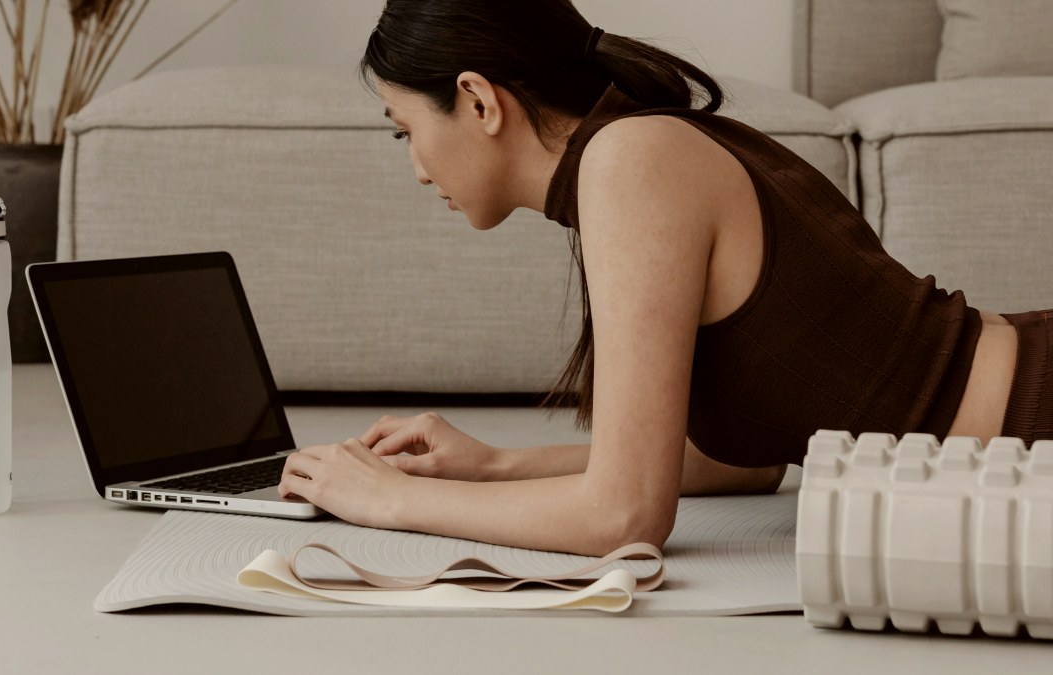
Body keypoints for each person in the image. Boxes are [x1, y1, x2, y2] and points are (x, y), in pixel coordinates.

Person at [276, 0, 1051, 557]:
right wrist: (495, 465)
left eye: (408, 131)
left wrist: (391, 499)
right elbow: (744, 457)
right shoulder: (637, 152)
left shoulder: (630, 161)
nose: (416, 168)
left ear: (478, 101)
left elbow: (623, 517)